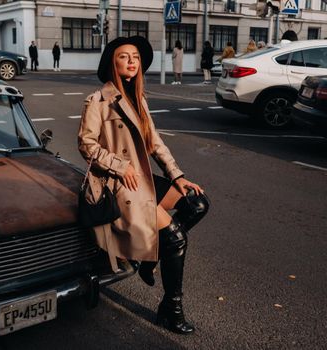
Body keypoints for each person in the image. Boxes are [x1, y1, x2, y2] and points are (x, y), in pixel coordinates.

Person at [78, 36, 209, 335]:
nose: (132, 61)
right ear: (113, 62)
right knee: (175, 239)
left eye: (135, 56)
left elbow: (155, 143)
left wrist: (177, 177)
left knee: (197, 203)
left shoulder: (140, 100)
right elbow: (86, 145)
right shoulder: (98, 101)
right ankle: (170, 309)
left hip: (143, 180)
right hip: (120, 185)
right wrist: (120, 166)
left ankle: (151, 258)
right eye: (124, 56)